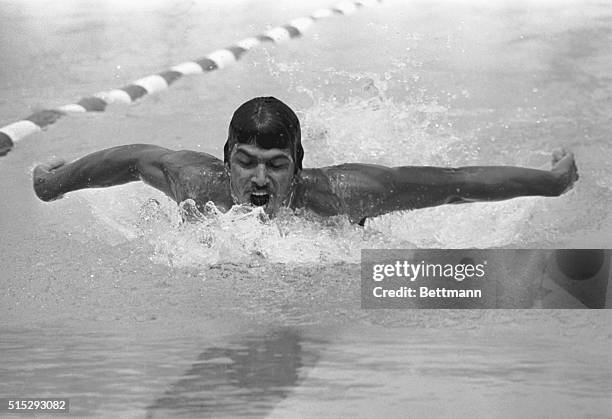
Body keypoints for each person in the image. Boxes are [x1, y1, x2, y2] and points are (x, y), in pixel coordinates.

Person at [33, 96, 578, 225]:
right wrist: (54, 183)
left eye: (275, 164)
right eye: (245, 162)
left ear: (298, 163)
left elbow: (455, 183)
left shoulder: (343, 195)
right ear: (227, 159)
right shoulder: (197, 181)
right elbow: (131, 159)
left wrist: (551, 183)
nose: (259, 179)